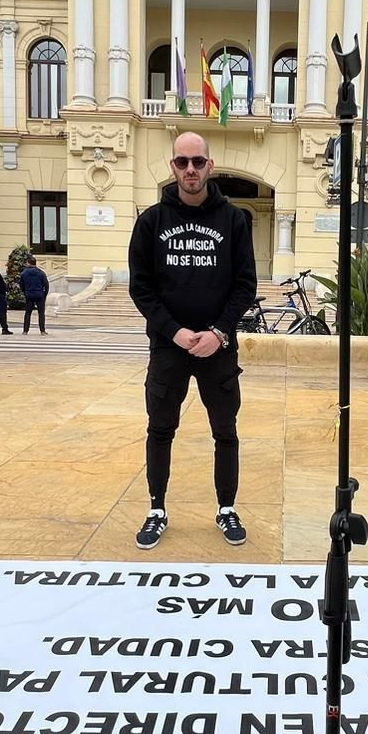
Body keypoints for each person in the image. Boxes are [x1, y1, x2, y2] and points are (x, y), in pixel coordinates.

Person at [128, 131, 257, 550]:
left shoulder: (234, 220)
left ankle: (226, 508)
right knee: (160, 429)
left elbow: (245, 285)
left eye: (197, 162)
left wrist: (218, 333)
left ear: (210, 166)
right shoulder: (150, 222)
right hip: (170, 347)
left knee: (226, 431)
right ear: (172, 167)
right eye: (182, 162)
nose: (190, 170)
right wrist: (176, 332)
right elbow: (141, 289)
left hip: (218, 347)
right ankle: (156, 509)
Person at [19, 254, 50, 335]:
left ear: (28, 263)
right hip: (39, 294)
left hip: (29, 294)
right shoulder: (41, 272)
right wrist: (44, 294)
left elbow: (21, 284)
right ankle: (42, 330)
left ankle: (25, 331)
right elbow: (46, 285)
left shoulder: (24, 273)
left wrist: (25, 292)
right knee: (41, 313)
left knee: (28, 313)